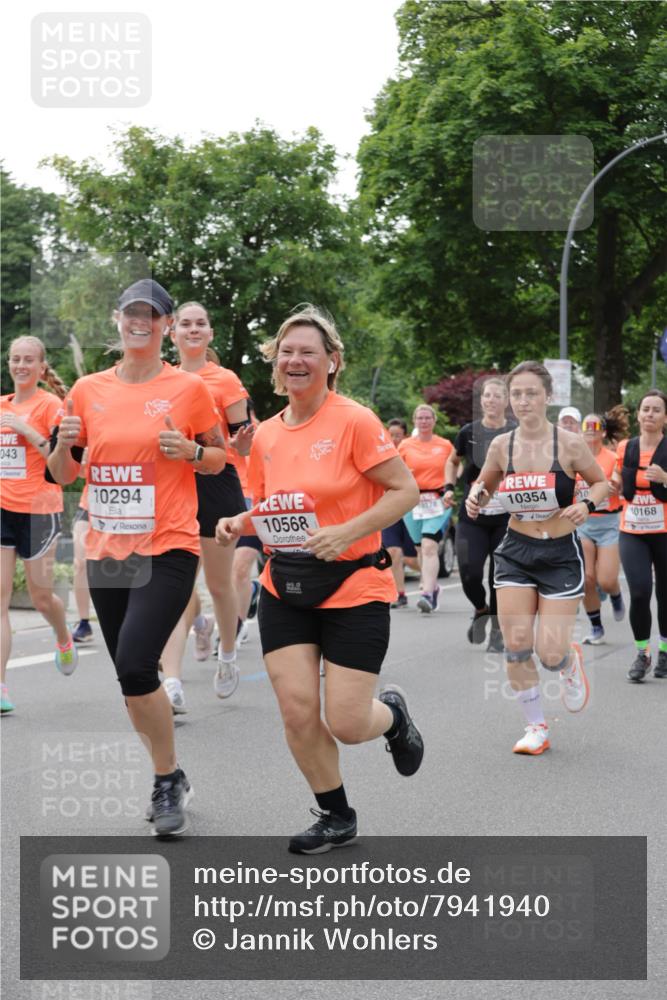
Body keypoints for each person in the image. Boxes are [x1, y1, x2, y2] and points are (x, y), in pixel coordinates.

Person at [216, 305, 423, 854]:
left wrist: (347, 531)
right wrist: (240, 522)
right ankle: (336, 815)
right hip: (286, 586)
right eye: (287, 352)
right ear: (276, 364)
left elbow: (405, 492)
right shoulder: (264, 437)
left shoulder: (354, 420)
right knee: (297, 709)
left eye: (308, 352)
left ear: (332, 362)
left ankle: (393, 718)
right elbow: (274, 507)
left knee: (350, 722)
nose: (296, 360)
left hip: (355, 585)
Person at [47, 278, 226, 835]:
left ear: (167, 326)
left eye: (152, 315)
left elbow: (220, 460)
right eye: (131, 313)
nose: (140, 322)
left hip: (168, 543)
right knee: (133, 678)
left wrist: (193, 451)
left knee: (132, 662)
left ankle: (165, 779)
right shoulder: (86, 388)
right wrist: (58, 444)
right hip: (108, 547)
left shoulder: (188, 389)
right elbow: (63, 474)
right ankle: (167, 771)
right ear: (117, 320)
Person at [466, 361, 608, 755]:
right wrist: (475, 498)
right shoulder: (501, 445)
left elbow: (601, 484)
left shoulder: (570, 443)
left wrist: (586, 505)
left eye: (532, 393)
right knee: (515, 643)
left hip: (560, 554)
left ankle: (567, 662)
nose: (524, 401)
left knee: (549, 653)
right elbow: (483, 484)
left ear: (548, 396)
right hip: (515, 551)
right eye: (517, 394)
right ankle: (536, 727)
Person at [158, 302, 253, 713]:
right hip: (172, 486)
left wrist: (246, 442)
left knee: (218, 584)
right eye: (185, 324)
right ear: (171, 332)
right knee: (174, 588)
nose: (193, 330)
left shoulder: (225, 379)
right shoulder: (160, 378)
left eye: (200, 324)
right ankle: (172, 683)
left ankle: (227, 654)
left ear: (210, 333)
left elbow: (243, 438)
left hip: (216, 484)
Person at [1, 336, 78, 714]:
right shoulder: (0, 407)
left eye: (28, 360)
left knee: (40, 597)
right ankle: (0, 687)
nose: (20, 366)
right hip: (2, 509)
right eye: (15, 359)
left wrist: (27, 431)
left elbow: (60, 463)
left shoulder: (52, 407)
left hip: (38, 511)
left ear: (40, 366)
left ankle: (63, 635)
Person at [444, 376, 515, 652]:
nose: (491, 400)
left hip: (506, 518)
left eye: (498, 396)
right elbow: (452, 461)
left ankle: (497, 630)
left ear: (506, 401)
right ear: (481, 400)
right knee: (469, 572)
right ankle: (481, 608)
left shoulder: (516, 432)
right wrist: (448, 487)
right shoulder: (468, 432)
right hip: (472, 515)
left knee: (499, 574)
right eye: (487, 396)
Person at [612, 390, 667, 682]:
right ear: (638, 414)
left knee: (665, 595)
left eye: (656, 410)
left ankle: (665, 651)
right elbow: (618, 479)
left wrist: (666, 479)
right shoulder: (625, 447)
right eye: (646, 409)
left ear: (665, 417)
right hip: (632, 529)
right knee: (641, 591)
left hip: (665, 531)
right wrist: (613, 485)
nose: (650, 414)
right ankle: (642, 653)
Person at [576, 410, 629, 644]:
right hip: (584, 523)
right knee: (587, 578)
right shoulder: (574, 459)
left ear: (603, 432)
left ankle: (615, 594)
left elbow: (622, 483)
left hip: (609, 522)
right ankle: (596, 627)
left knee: (606, 580)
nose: (589, 429)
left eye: (595, 426)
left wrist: (615, 486)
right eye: (586, 425)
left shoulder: (612, 457)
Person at [398, 404, 454, 613]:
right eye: (420, 418)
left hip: (438, 500)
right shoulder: (404, 446)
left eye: (427, 418)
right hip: (413, 501)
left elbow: (456, 465)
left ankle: (427, 594)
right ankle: (433, 586)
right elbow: (395, 471)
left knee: (430, 546)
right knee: (421, 548)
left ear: (434, 421)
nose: (424, 422)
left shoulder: (445, 445)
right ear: (414, 421)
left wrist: (450, 487)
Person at [381, 418, 420, 608]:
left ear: (405, 436)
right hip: (389, 509)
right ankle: (399, 593)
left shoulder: (411, 452)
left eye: (398, 435)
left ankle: (429, 577)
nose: (394, 439)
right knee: (393, 552)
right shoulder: (381, 455)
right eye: (391, 435)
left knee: (411, 559)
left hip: (411, 509)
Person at [71, 460, 94, 643]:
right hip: (90, 503)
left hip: (128, 505)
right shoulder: (90, 431)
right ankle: (84, 623)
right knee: (80, 563)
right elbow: (76, 473)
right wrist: (84, 462)